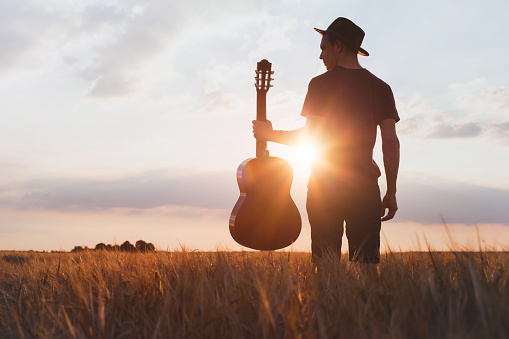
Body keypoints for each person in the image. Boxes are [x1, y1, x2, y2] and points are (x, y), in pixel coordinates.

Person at [253, 17, 400, 269]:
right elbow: (391, 144)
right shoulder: (381, 88)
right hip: (365, 189)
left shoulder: (320, 84)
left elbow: (311, 137)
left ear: (339, 46)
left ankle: (327, 310)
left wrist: (270, 134)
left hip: (325, 188)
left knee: (325, 268)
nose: (321, 56)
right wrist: (391, 191)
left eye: (324, 47)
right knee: (366, 268)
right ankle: (367, 310)